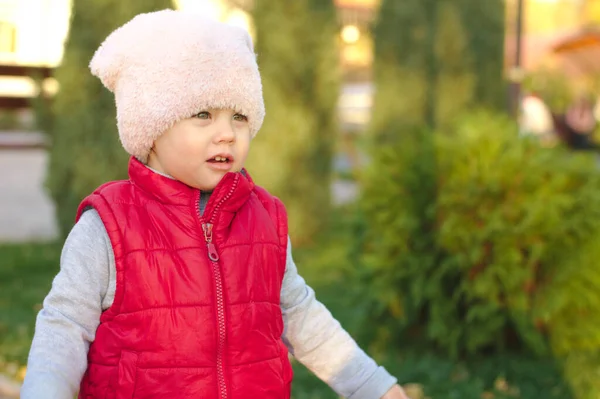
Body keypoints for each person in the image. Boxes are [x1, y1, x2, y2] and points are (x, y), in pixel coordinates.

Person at [20, 9, 408, 399]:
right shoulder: (109, 224)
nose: (227, 134)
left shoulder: (264, 218)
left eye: (239, 116)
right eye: (203, 114)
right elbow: (65, 325)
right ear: (151, 128)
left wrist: (373, 387)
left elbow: (300, 315)